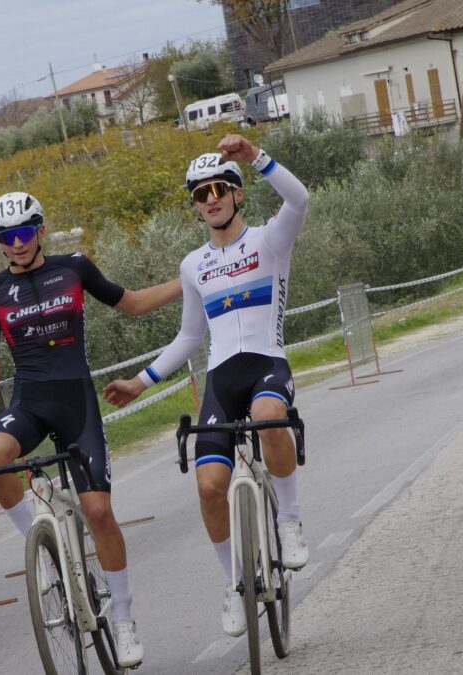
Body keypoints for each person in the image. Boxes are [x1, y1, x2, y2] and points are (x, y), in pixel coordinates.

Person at [103, 134, 310, 639]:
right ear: (195, 206)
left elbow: (299, 198)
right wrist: (141, 382)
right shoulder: (193, 265)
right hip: (221, 379)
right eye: (201, 193)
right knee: (209, 488)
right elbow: (190, 336)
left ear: (237, 193)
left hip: (266, 364)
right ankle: (234, 584)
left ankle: (290, 519)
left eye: (220, 187)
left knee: (267, 420)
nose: (212, 198)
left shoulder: (269, 240)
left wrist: (254, 156)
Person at [0, 191, 182, 668]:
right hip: (29, 401)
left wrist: (187, 280)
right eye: (7, 237)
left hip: (76, 402)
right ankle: (40, 547)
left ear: (41, 230)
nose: (17, 243)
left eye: (25, 232)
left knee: (100, 513)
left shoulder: (75, 267)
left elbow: (131, 304)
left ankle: (124, 619)